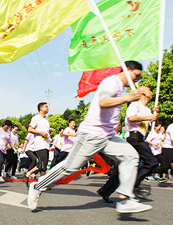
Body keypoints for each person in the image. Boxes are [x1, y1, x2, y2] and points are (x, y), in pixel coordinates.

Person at [27, 61, 153, 213]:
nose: (137, 80)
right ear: (127, 70)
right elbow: (103, 102)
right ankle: (37, 186)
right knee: (70, 167)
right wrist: (128, 98)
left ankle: (125, 199)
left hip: (108, 136)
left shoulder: (121, 88)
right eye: (136, 75)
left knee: (131, 156)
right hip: (91, 135)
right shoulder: (111, 82)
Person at [28, 102, 53, 178]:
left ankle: (29, 174)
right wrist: (41, 132)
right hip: (40, 144)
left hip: (46, 144)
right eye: (46, 106)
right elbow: (30, 129)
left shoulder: (46, 120)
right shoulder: (36, 118)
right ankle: (29, 174)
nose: (48, 108)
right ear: (41, 108)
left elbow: (45, 132)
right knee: (42, 165)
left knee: (43, 165)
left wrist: (49, 131)